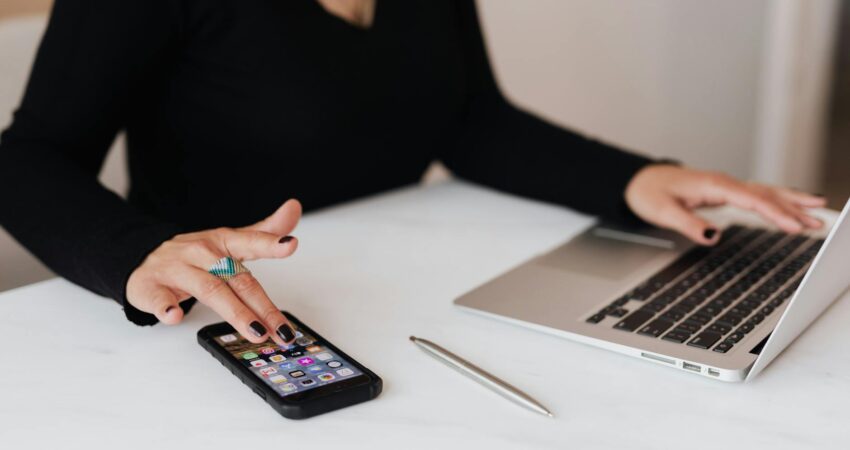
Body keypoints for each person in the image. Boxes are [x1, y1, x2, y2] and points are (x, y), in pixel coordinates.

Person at [0, 0, 825, 346]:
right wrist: (135, 253)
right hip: (229, 321)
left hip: (418, 300)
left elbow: (468, 118)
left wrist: (634, 180)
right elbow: (27, 158)